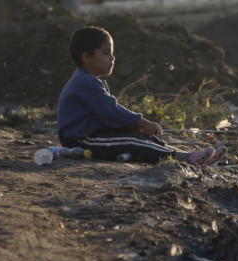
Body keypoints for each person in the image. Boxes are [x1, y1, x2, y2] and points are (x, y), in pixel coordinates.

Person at [57, 26, 225, 165]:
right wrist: (140, 122)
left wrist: (134, 127)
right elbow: (111, 111)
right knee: (133, 142)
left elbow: (106, 116)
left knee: (142, 137)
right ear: (87, 57)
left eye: (112, 53)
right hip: (82, 141)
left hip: (96, 135)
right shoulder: (84, 81)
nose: (112, 58)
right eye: (106, 53)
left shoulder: (90, 81)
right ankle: (182, 158)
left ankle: (186, 156)